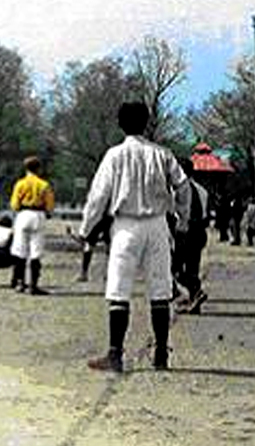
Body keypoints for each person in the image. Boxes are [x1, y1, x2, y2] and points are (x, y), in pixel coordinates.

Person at [77, 101, 191, 372]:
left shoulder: (114, 155)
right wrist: (183, 219)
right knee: (160, 289)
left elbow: (98, 196)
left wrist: (86, 229)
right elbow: (183, 185)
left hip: (126, 226)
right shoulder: (162, 154)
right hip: (157, 226)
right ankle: (161, 353)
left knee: (119, 291)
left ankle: (116, 353)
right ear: (147, 122)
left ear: (120, 123)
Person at [9, 155, 55, 295]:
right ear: (38, 168)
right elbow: (50, 205)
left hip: (23, 215)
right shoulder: (44, 184)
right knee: (36, 252)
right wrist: (47, 211)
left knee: (20, 251)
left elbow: (14, 205)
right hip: (38, 215)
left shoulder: (20, 184)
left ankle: (20, 283)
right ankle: (33, 286)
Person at [173, 158, 210, 314]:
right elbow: (206, 214)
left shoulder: (177, 190)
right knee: (192, 267)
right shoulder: (202, 190)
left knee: (174, 269)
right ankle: (194, 303)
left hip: (184, 232)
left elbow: (173, 212)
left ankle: (194, 291)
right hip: (200, 232)